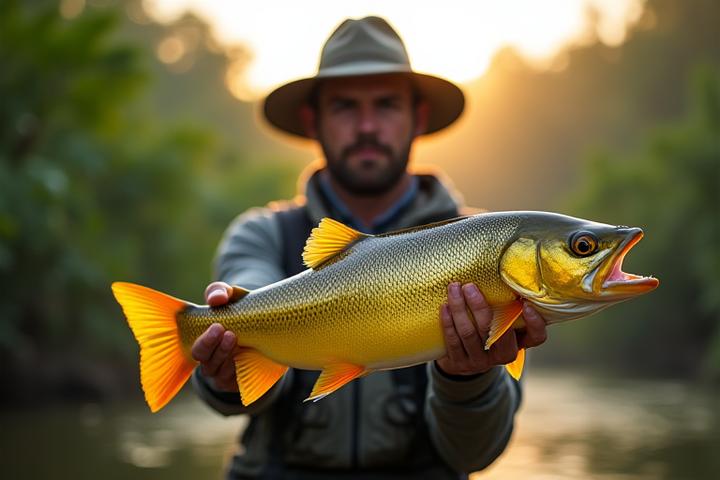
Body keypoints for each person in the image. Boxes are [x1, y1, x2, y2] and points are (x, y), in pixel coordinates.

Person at [190, 16, 548, 480]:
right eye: (344, 106)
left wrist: (467, 377)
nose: (366, 125)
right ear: (312, 120)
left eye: (385, 105)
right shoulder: (261, 234)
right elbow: (250, 294)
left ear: (417, 117)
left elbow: (471, 456)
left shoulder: (484, 249)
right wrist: (226, 363)